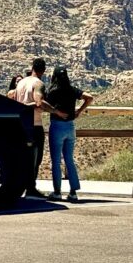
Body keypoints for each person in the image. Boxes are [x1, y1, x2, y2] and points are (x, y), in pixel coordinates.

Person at [12, 58, 66, 199]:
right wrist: (55, 111)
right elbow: (39, 102)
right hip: (34, 125)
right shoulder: (39, 84)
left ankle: (21, 185)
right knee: (36, 158)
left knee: (22, 157)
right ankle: (31, 188)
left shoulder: (21, 83)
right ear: (43, 70)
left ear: (32, 67)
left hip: (19, 125)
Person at [44, 66, 93, 202]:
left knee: (56, 161)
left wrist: (55, 111)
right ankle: (73, 192)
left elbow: (43, 104)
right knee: (69, 159)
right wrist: (79, 111)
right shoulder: (72, 90)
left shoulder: (52, 91)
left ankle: (57, 191)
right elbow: (89, 97)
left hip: (57, 126)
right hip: (71, 127)